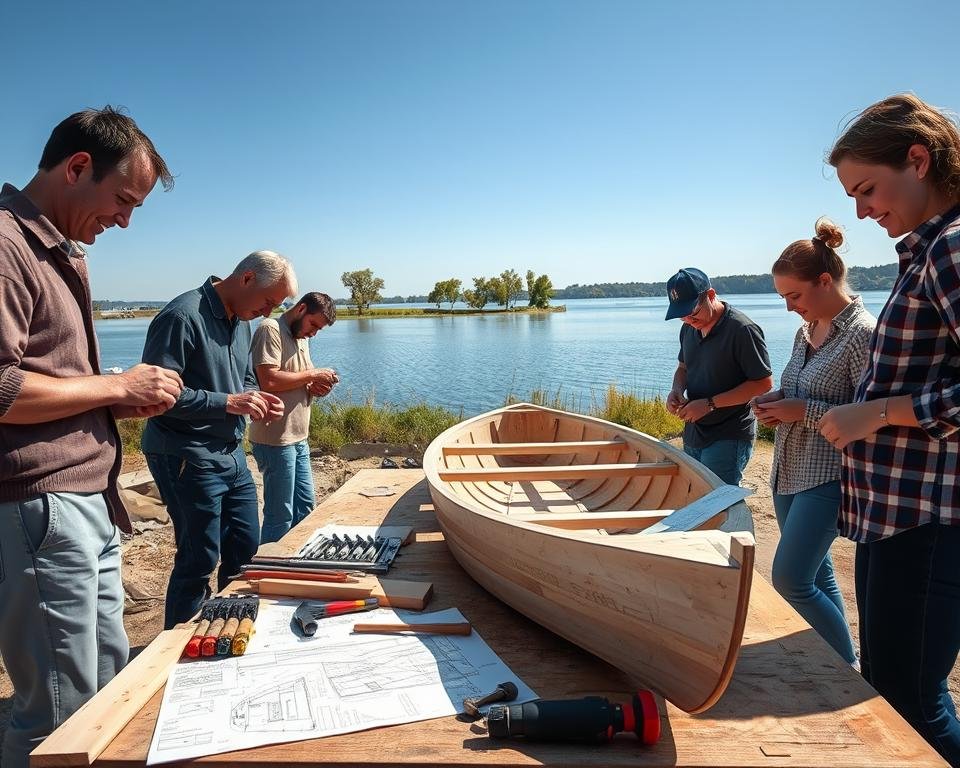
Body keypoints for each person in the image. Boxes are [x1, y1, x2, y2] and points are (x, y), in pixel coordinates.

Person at [0, 107, 183, 768]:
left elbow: (41, 377)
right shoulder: (6, 244)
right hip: (43, 507)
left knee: (104, 696)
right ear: (78, 167)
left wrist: (114, 399)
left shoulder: (53, 246)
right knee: (58, 717)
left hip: (84, 504)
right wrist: (114, 389)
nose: (125, 221)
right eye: (123, 200)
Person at [817, 94, 960, 765]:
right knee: (895, 687)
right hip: (893, 517)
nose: (861, 211)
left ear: (918, 159)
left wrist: (873, 413)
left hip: (928, 522)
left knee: (908, 702)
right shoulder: (928, 246)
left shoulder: (953, 246)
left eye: (867, 189)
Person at [141, 251, 297, 629]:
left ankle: (228, 629)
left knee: (246, 547)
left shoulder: (240, 321)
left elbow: (245, 377)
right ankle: (175, 651)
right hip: (185, 454)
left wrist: (254, 400)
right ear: (246, 279)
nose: (267, 313)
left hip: (230, 453)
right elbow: (156, 397)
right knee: (198, 558)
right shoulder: (181, 316)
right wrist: (228, 402)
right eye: (268, 302)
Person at [751, 218, 875, 667]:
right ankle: (837, 661)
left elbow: (870, 419)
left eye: (794, 296)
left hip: (829, 476)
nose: (788, 307)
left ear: (825, 281)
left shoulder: (863, 334)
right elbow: (799, 388)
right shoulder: (807, 330)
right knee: (817, 573)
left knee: (790, 578)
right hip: (787, 469)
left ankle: (847, 669)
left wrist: (802, 411)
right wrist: (775, 399)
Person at [664, 267, 773, 485]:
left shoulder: (742, 329)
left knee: (720, 499)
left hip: (729, 432)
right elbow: (683, 368)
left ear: (711, 295)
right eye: (681, 315)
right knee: (697, 492)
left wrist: (710, 404)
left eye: (692, 312)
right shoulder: (688, 328)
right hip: (695, 428)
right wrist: (676, 390)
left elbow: (763, 383)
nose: (687, 319)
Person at [249, 292, 339, 543]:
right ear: (300, 309)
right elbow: (268, 379)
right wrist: (313, 375)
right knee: (281, 515)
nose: (314, 333)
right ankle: (270, 571)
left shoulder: (301, 336)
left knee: (306, 508)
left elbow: (296, 380)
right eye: (314, 325)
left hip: (298, 437)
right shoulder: (270, 329)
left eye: (319, 329)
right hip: (275, 439)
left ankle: (299, 567)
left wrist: (315, 387)